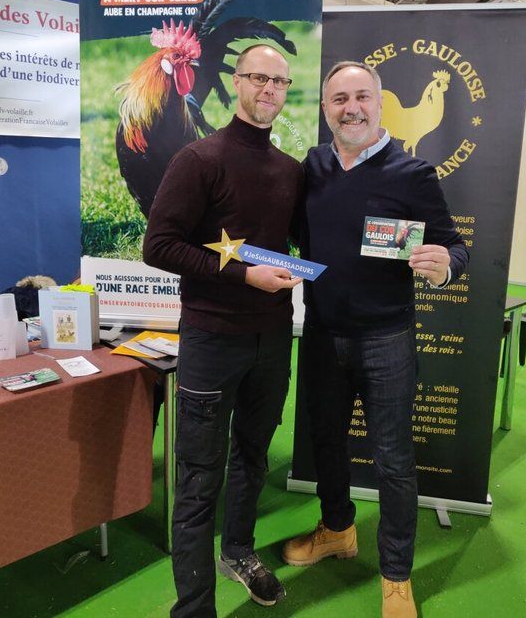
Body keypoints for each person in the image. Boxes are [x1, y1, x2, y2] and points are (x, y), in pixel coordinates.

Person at [282, 61, 469, 618]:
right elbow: (300, 235)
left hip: (386, 337)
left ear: (381, 102)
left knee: (393, 461)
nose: (351, 108)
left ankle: (396, 575)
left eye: (361, 96)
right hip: (321, 331)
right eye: (339, 99)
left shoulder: (412, 173)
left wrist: (445, 266)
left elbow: (454, 247)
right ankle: (338, 529)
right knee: (326, 443)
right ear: (325, 109)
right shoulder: (312, 165)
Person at [143, 44, 303, 618]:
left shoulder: (289, 170)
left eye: (279, 81)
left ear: (287, 90)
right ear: (237, 82)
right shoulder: (198, 159)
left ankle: (238, 552)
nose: (268, 89)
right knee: (197, 479)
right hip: (211, 340)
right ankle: (194, 608)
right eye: (258, 77)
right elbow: (157, 246)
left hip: (272, 341)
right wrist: (242, 274)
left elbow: (309, 246)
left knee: (254, 458)